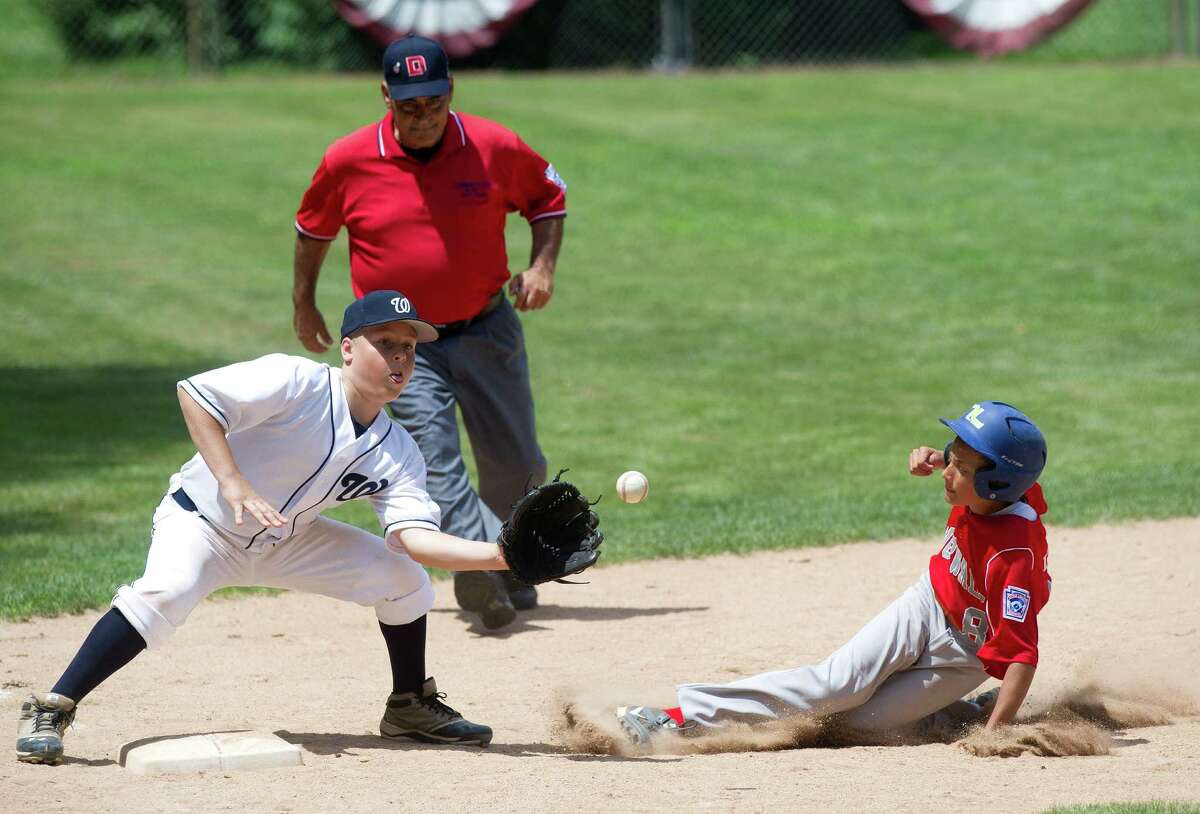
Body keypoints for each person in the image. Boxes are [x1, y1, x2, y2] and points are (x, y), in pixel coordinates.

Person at [15, 291, 514, 765]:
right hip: (203, 524)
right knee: (165, 593)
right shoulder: (295, 380)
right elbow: (195, 394)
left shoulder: (397, 448)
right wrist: (232, 482)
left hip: (286, 538)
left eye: (407, 348)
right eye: (385, 344)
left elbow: (412, 538)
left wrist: (501, 556)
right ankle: (54, 706)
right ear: (347, 348)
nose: (399, 358)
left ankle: (409, 705)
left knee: (404, 578)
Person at [291, 35, 567, 631]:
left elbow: (548, 198)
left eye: (433, 103)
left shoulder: (493, 146)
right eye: (408, 105)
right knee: (436, 465)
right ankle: (481, 569)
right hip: (400, 340)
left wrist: (542, 266)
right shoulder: (348, 159)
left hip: (487, 326)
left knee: (516, 461)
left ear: (450, 92)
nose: (422, 117)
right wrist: (303, 302)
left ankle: (505, 563)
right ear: (386, 95)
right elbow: (314, 228)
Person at [615, 401, 1050, 745]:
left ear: (996, 486)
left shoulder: (1012, 558)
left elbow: (1021, 656)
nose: (948, 471)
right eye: (952, 453)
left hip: (965, 653)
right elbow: (987, 466)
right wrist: (942, 458)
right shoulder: (1001, 485)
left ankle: (973, 714)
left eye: (962, 467)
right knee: (836, 688)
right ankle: (675, 717)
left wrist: (995, 736)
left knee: (854, 724)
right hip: (929, 603)